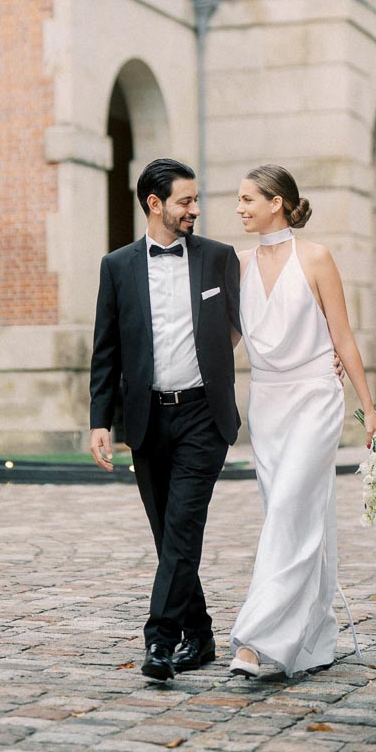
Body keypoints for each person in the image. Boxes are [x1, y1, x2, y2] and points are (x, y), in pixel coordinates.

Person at [229, 164, 376, 679]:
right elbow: (226, 340)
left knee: (287, 515)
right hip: (267, 404)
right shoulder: (239, 264)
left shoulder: (316, 258)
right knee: (296, 515)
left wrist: (369, 409)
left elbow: (343, 338)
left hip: (316, 398)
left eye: (249, 199)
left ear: (277, 202)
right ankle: (311, 640)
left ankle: (255, 641)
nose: (240, 208)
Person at [89, 158, 241, 683]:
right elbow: (105, 350)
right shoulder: (118, 266)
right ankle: (199, 636)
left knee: (182, 526)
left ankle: (160, 640)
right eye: (185, 201)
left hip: (204, 415)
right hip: (147, 419)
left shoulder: (220, 259)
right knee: (167, 535)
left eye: (195, 201)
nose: (195, 210)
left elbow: (248, 324)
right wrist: (100, 420)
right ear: (155, 205)